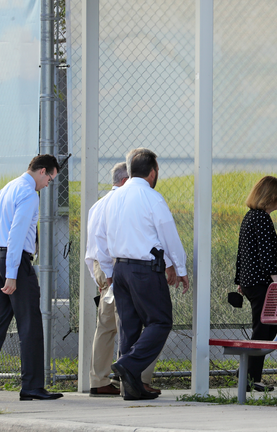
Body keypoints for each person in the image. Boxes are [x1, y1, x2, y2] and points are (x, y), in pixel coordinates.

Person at [0, 154, 64, 402]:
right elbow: (18, 234)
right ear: (42, 171)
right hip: (16, 262)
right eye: (50, 179)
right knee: (30, 324)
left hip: (0, 257)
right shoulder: (29, 194)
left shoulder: (7, 188)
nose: (48, 184)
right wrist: (11, 272)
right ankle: (31, 386)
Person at [102, 148, 189, 400]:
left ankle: (131, 388)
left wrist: (110, 271)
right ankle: (128, 364)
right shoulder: (152, 197)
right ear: (152, 173)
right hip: (144, 269)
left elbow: (106, 235)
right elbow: (167, 235)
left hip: (120, 267)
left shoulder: (114, 198)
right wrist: (179, 268)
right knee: (160, 321)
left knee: (129, 326)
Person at [85, 162, 165, 396]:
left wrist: (100, 276)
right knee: (134, 322)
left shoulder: (99, 205)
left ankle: (99, 379)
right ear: (124, 181)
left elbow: (93, 246)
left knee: (106, 326)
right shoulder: (126, 202)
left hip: (104, 267)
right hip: (120, 266)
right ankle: (136, 378)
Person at [234, 176, 277, 392]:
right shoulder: (262, 219)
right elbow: (266, 256)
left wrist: (240, 280)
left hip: (250, 282)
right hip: (261, 283)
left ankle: (248, 375)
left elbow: (242, 253)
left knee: (263, 329)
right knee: (263, 330)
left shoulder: (249, 217)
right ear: (271, 197)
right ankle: (248, 376)